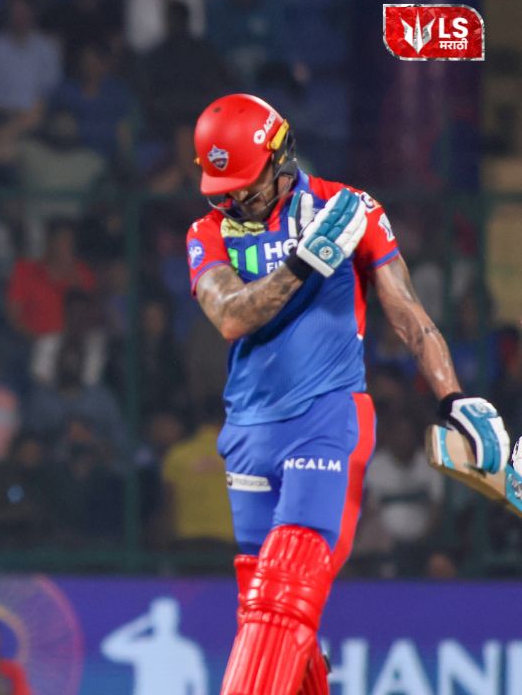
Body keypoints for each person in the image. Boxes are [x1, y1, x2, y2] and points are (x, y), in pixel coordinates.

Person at [185, 93, 510, 694]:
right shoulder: (207, 232)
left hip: (327, 420)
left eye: (243, 186)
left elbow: (410, 316)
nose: (231, 200)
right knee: (268, 615)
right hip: (248, 436)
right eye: (220, 188)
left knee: (285, 596)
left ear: (281, 156)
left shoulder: (349, 208)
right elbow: (231, 316)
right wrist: (305, 264)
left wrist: (455, 399)